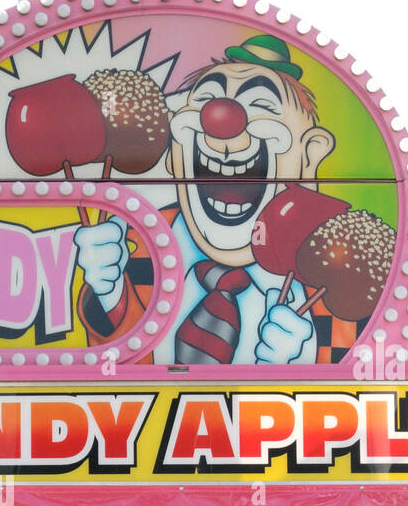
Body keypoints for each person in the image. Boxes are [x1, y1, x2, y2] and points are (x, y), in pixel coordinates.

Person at [73, 35, 354, 366]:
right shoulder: (132, 242)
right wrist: (108, 292)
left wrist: (290, 373)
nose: (222, 121)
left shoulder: (331, 280)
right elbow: (111, 367)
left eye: (261, 105)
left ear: (309, 156)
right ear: (173, 155)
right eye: (206, 100)